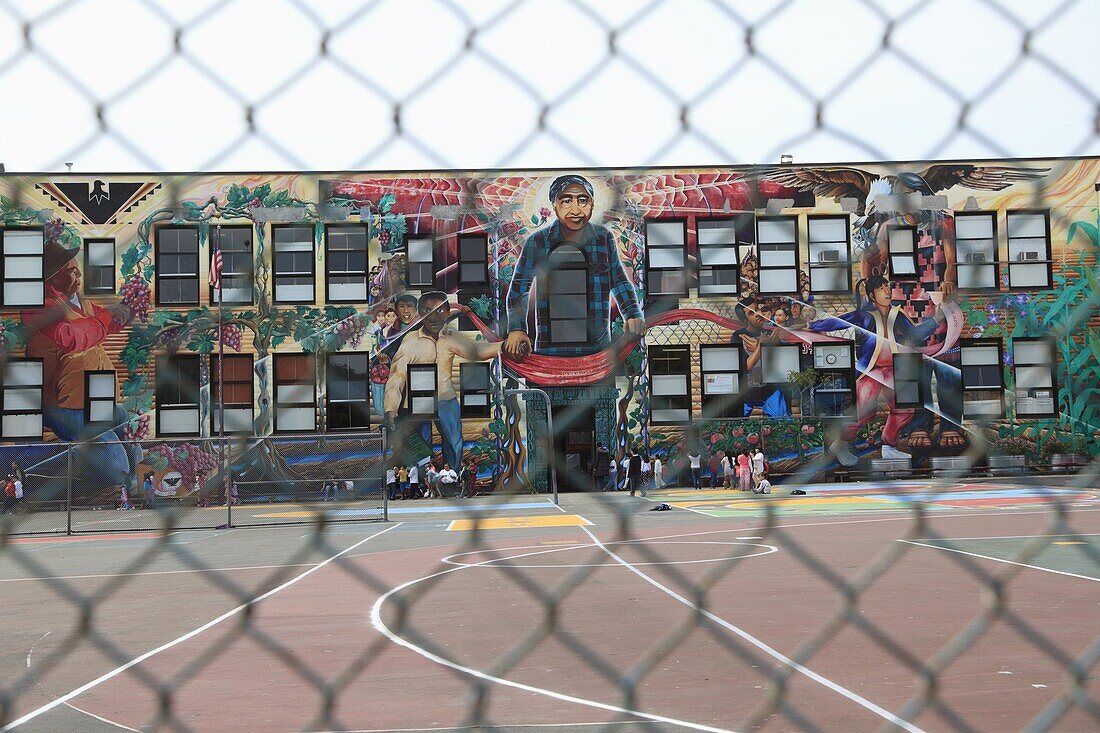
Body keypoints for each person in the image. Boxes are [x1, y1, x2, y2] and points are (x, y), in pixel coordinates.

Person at [21, 239, 142, 496]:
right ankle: (33, 476)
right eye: (70, 271)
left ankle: (130, 485)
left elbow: (101, 324)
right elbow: (72, 338)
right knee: (115, 461)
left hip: (94, 397)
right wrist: (108, 316)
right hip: (65, 404)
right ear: (52, 277)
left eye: (77, 269)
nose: (77, 275)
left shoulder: (78, 302)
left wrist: (123, 312)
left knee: (131, 434)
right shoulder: (38, 308)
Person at [807, 275, 948, 465]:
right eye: (881, 288)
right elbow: (838, 322)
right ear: (872, 295)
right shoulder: (865, 316)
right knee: (864, 413)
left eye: (887, 287)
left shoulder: (897, 314)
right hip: (871, 371)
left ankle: (889, 447)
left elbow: (915, 334)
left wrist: (937, 319)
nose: (887, 291)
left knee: (904, 409)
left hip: (893, 369)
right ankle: (840, 443)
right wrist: (813, 326)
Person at [503, 174, 645, 360]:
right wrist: (517, 329)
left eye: (583, 200)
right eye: (566, 201)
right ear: (554, 205)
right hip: (551, 353)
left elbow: (618, 280)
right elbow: (519, 289)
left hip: (597, 352)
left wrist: (632, 313)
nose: (575, 209)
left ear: (592, 205)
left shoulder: (603, 238)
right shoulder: (537, 242)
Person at [383, 292, 502, 472]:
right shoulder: (411, 341)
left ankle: (452, 476)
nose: (433, 317)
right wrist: (391, 409)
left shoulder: (451, 336)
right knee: (424, 446)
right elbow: (397, 378)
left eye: (439, 310)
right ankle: (425, 483)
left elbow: (476, 351)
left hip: (446, 398)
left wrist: (504, 346)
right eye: (426, 311)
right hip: (419, 401)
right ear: (420, 314)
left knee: (454, 441)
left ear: (447, 312)